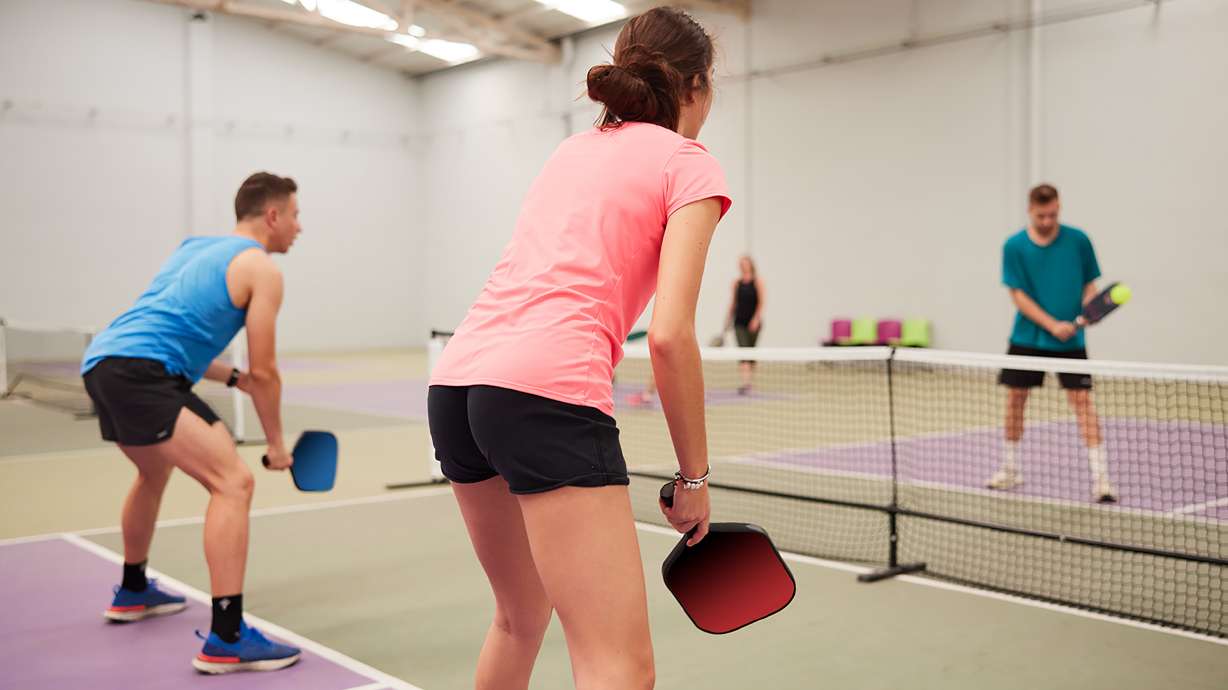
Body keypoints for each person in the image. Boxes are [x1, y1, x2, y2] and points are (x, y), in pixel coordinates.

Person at [426, 8, 730, 689]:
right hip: (547, 394)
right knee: (618, 665)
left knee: (518, 618)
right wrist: (694, 479)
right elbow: (673, 336)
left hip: (457, 387)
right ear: (696, 86)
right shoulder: (690, 165)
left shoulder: (572, 148)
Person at [81, 172, 304, 673]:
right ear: (272, 216)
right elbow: (268, 372)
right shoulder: (262, 270)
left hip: (103, 363)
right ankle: (227, 637)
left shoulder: (194, 249)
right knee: (234, 482)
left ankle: (134, 589)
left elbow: (170, 325)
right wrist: (277, 445)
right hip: (144, 374)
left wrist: (230, 378)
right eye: (294, 214)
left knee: (152, 472)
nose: (298, 226)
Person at [987, 183, 1116, 503]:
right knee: (1016, 400)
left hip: (1071, 341)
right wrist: (1051, 325)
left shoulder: (1079, 240)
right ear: (1030, 210)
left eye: (1053, 214)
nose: (1048, 221)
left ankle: (1102, 480)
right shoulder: (1014, 246)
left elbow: (1089, 285)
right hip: (1027, 338)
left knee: (1082, 403)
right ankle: (1011, 468)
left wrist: (1088, 310)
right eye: (1042, 215)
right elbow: (1018, 295)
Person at [724, 254, 764, 394]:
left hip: (753, 323)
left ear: (750, 265)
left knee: (751, 353)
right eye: (740, 264)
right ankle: (746, 383)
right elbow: (733, 303)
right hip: (739, 322)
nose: (742, 266)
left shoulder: (758, 282)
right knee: (743, 351)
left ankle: (750, 381)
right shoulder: (737, 283)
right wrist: (727, 320)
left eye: (745, 263)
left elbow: (761, 303)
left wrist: (756, 319)